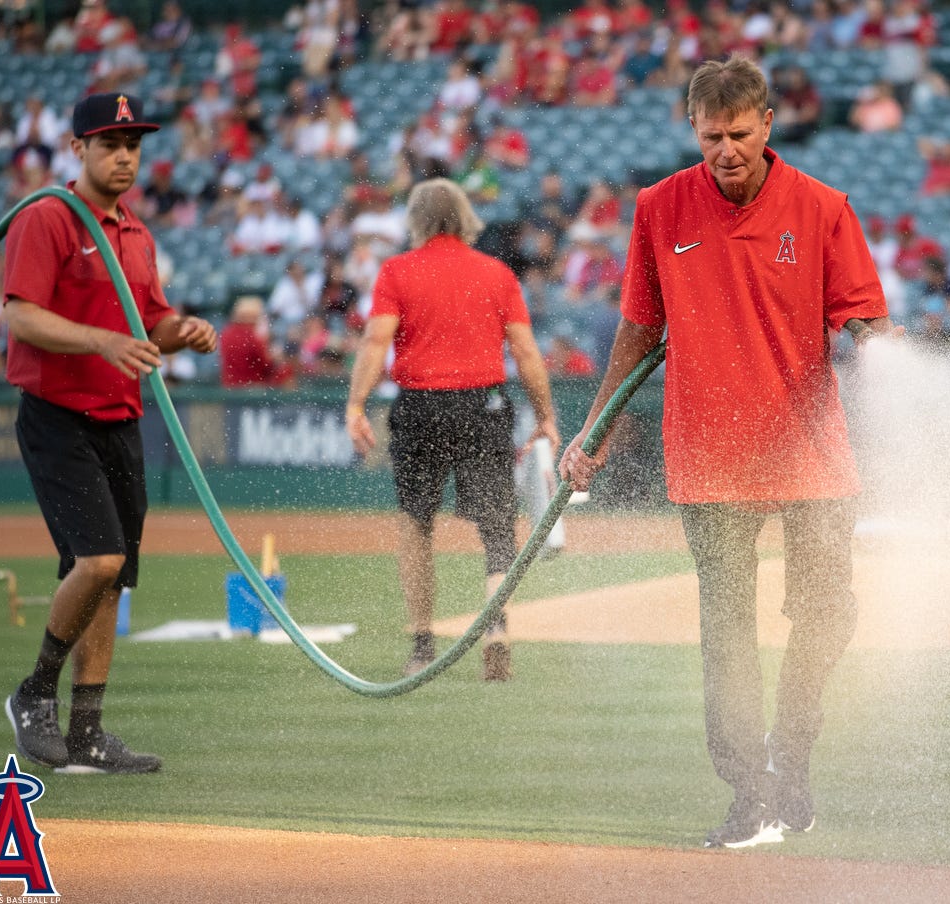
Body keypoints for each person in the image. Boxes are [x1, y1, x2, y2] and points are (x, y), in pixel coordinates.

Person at [558, 57, 893, 850]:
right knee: (727, 633)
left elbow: (864, 317)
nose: (726, 151)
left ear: (768, 124)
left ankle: (792, 754)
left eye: (740, 134)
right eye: (711, 136)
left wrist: (881, 347)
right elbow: (638, 331)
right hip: (708, 458)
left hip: (810, 453)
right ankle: (749, 794)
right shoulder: (658, 208)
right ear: (693, 130)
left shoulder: (822, 208)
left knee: (827, 612)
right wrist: (593, 432)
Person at [1, 93, 218, 774]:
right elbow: (21, 316)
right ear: (78, 150)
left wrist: (182, 334)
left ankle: (88, 731)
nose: (124, 155)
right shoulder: (48, 218)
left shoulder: (138, 234)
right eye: (109, 143)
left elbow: (147, 327)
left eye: (133, 144)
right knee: (95, 561)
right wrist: (101, 340)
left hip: (120, 419)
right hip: (58, 416)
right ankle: (34, 693)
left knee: (113, 577)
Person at [345, 179, 558, 680]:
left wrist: (355, 405)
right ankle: (497, 628)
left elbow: (376, 344)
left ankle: (422, 645)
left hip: (419, 406)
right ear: (466, 218)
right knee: (497, 525)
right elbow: (526, 353)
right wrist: (546, 414)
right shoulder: (496, 273)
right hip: (482, 404)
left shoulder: (396, 271)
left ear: (416, 221)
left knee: (417, 524)